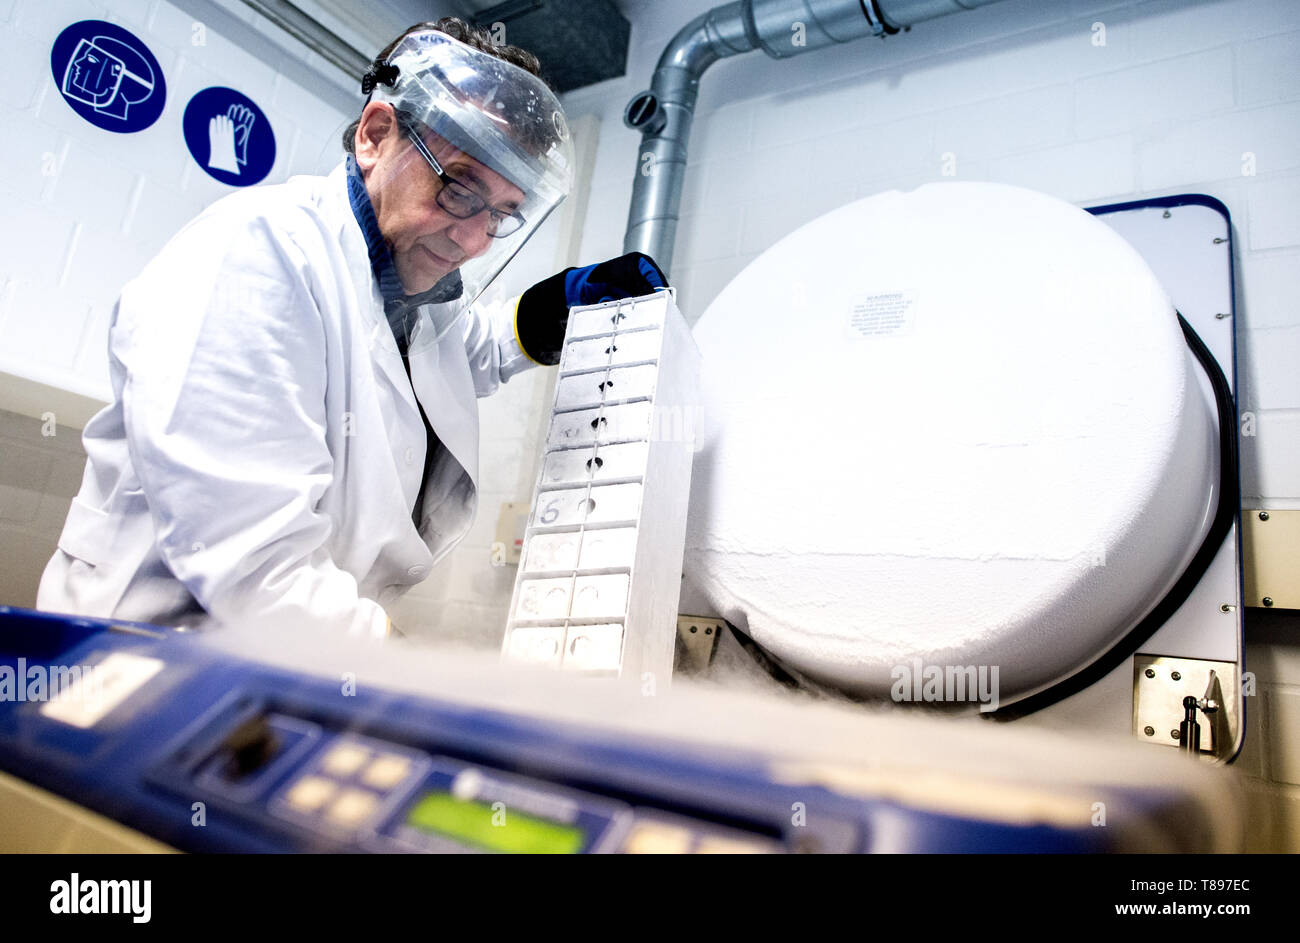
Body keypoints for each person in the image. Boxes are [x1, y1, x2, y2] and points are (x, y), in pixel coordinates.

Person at [36, 18, 666, 639]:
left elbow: (466, 351)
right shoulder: (255, 254)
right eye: (458, 191)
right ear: (375, 133)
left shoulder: (410, 286)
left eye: (503, 214)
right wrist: (409, 675)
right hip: (150, 655)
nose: (474, 240)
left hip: (286, 653)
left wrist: (559, 303)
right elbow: (256, 568)